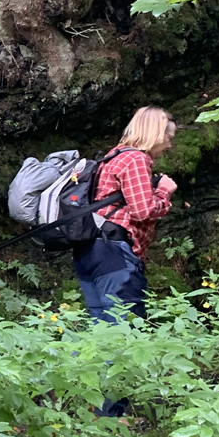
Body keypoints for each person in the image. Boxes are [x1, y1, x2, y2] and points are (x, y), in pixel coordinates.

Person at [75, 107, 178, 323]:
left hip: (91, 249)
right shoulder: (135, 159)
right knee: (125, 327)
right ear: (156, 133)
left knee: (101, 328)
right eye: (169, 137)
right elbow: (142, 211)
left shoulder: (114, 155)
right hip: (114, 252)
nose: (170, 145)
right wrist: (164, 191)